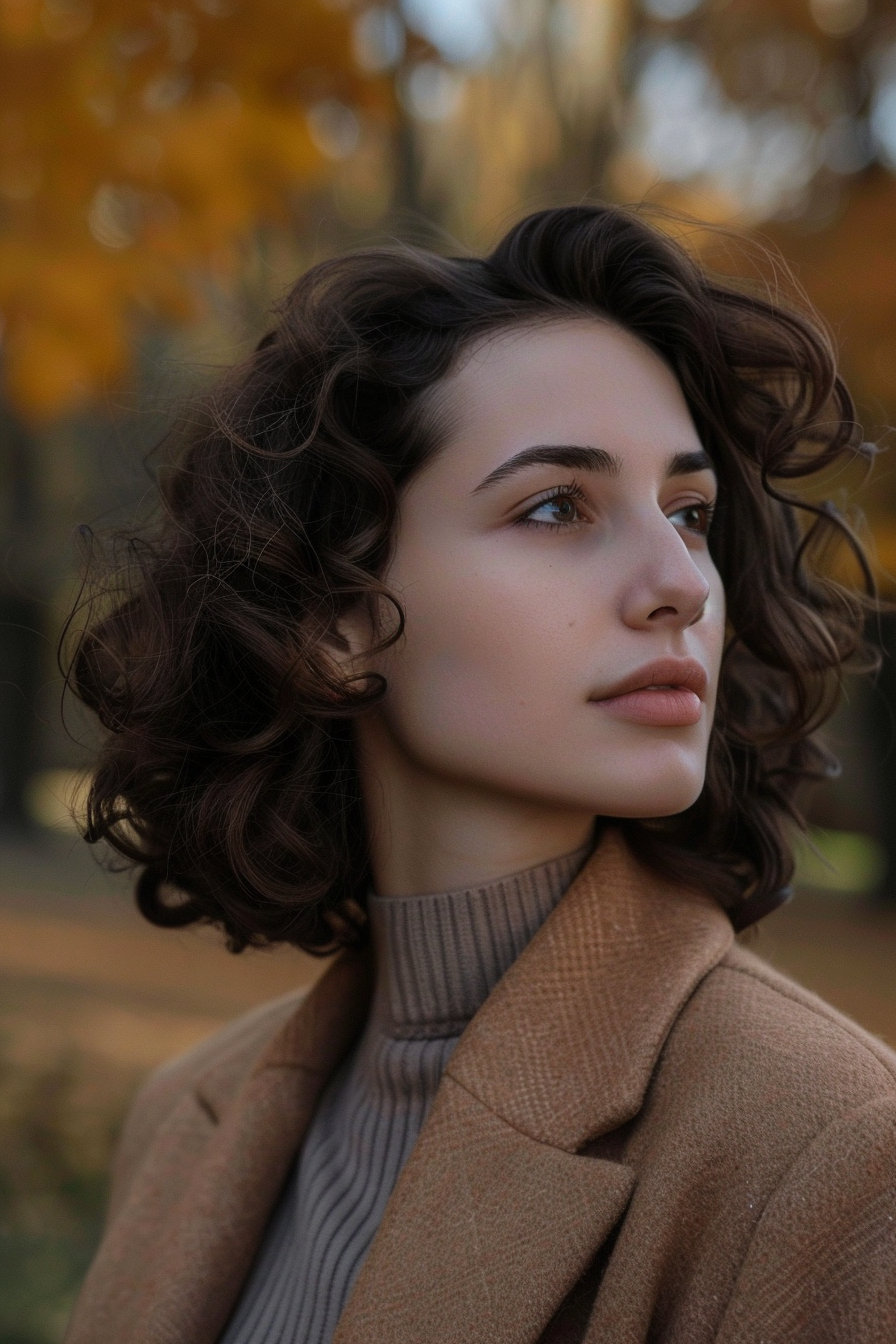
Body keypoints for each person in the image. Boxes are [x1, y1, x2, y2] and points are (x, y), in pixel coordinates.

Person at [63, 205, 896, 1344]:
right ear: (334, 622)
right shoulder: (181, 1120)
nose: (680, 584)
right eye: (556, 505)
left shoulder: (828, 1155)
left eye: (689, 513)